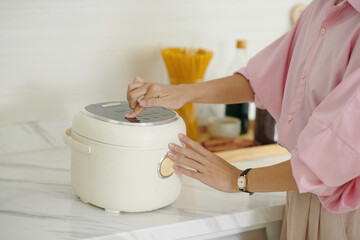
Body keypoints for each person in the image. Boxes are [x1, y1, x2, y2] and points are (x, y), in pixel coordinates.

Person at [126, 0, 360, 239]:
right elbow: (262, 79)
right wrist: (183, 92)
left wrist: (237, 179)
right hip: (300, 193)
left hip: (346, 213)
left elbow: (326, 160)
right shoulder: (321, 9)